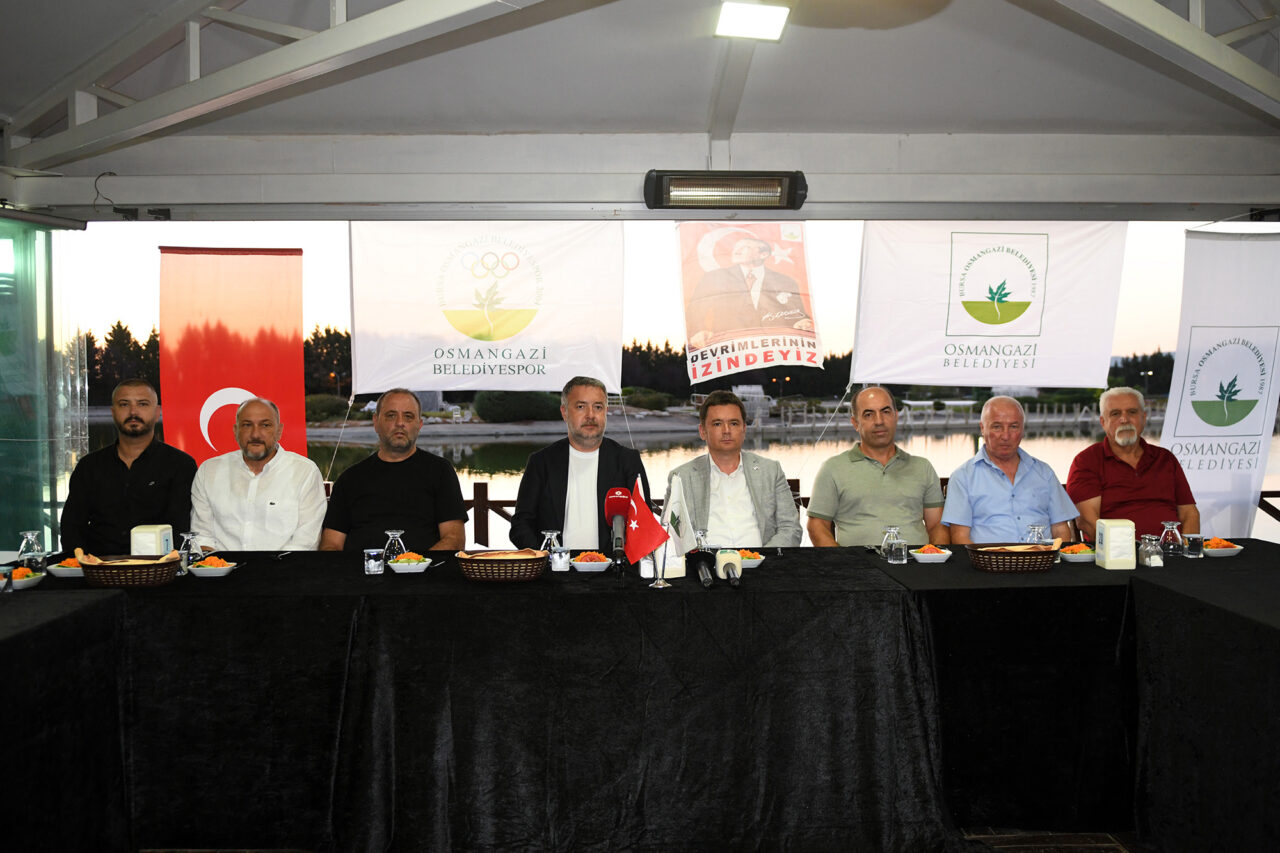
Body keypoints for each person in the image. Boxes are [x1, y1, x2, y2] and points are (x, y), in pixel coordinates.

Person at [510, 376, 650, 550]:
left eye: (598, 407)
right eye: (581, 407)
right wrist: (544, 557)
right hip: (555, 565)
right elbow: (520, 525)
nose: (590, 415)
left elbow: (644, 522)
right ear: (564, 412)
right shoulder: (541, 463)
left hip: (612, 565)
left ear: (606, 411)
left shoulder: (628, 461)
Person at [60, 378, 197, 555]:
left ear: (157, 412)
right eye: (124, 404)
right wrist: (82, 563)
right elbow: (72, 528)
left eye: (142, 404)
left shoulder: (180, 465)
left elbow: (181, 530)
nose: (133, 412)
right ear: (113, 412)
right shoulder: (89, 467)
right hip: (98, 567)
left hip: (160, 567)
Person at [320, 388, 467, 553]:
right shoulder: (349, 479)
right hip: (360, 569)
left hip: (427, 567)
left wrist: (418, 564)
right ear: (376, 422)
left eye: (408, 416)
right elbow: (331, 545)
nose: (400, 423)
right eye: (391, 415)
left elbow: (454, 539)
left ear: (419, 425)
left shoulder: (440, 472)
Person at [807, 386, 947, 548]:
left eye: (886, 412)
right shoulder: (833, 469)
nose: (879, 421)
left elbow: (937, 525)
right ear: (855, 423)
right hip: (856, 562)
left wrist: (935, 557)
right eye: (868, 414)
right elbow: (817, 526)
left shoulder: (923, 467)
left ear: (896, 416)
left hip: (915, 561)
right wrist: (841, 560)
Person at [663, 390, 801, 547]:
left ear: (744, 429)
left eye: (734, 423)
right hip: (706, 561)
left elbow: (791, 529)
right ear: (703, 431)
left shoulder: (770, 471)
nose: (726, 430)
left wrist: (763, 557)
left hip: (762, 559)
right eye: (717, 424)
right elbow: (671, 534)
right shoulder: (681, 477)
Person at [189, 397, 327, 551]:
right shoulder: (209, 471)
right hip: (220, 565)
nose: (255, 434)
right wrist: (215, 564)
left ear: (279, 431)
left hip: (284, 565)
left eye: (265, 425)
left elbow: (306, 542)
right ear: (236, 431)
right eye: (247, 425)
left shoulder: (305, 472)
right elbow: (201, 536)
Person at [1066, 386, 1199, 541]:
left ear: (1144, 417)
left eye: (1132, 412)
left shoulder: (1165, 459)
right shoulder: (1087, 461)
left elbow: (1190, 513)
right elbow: (1088, 522)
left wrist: (1187, 551)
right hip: (1115, 553)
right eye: (1115, 414)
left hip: (1171, 552)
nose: (1124, 419)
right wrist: (1126, 550)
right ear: (1103, 422)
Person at [942, 396, 1078, 544]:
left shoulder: (1044, 473)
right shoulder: (963, 477)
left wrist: (1054, 555)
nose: (1005, 436)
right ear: (982, 428)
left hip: (1041, 556)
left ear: (1023, 429)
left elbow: (1061, 529)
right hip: (987, 557)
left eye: (1013, 427)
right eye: (997, 427)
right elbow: (960, 537)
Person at [686, 237, 813, 349]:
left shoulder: (785, 281)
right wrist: (698, 331)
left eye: (744, 247)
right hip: (729, 350)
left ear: (763, 254)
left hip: (773, 349)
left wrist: (803, 322)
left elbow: (796, 313)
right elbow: (695, 309)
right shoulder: (714, 278)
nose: (736, 250)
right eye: (735, 247)